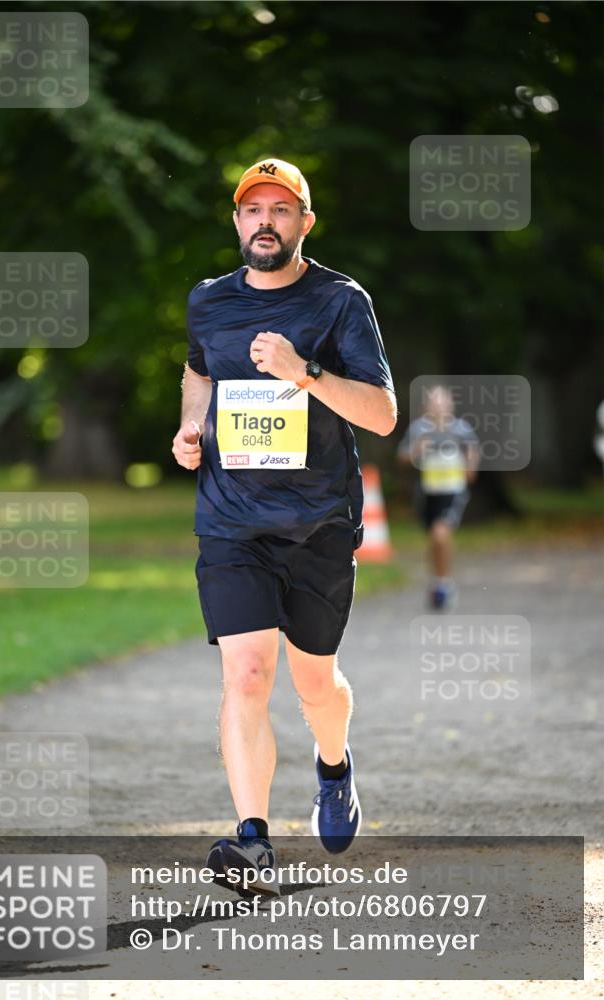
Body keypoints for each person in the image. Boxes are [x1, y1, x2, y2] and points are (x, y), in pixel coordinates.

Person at [172, 158, 396, 895]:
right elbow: (199, 370)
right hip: (232, 521)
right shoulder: (208, 301)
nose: (263, 221)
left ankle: (333, 766)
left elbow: (382, 415)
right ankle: (253, 842)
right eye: (250, 209)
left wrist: (303, 373)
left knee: (314, 685)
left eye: (279, 209)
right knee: (245, 673)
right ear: (236, 221)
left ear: (304, 222)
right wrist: (190, 426)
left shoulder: (339, 301)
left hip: (318, 523)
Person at [397, 385, 479, 610]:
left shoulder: (460, 429)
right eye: (434, 403)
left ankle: (444, 584)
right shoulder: (419, 430)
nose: (439, 407)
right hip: (428, 493)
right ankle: (437, 580)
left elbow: (472, 449)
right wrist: (417, 450)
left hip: (453, 491)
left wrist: (470, 468)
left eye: (443, 402)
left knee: (440, 534)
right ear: (426, 407)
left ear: (451, 405)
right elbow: (403, 458)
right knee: (433, 540)